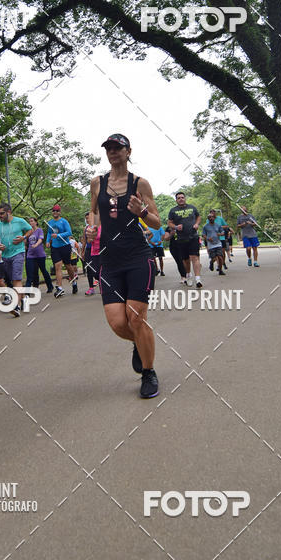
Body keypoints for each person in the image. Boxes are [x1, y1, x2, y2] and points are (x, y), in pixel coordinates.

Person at [87, 133, 160, 399]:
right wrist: (91, 230)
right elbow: (94, 212)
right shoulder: (97, 182)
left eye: (118, 148)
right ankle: (140, 343)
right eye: (109, 148)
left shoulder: (140, 183)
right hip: (109, 260)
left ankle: (149, 372)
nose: (113, 152)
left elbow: (156, 222)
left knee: (136, 317)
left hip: (138, 257)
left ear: (129, 151)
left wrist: (141, 212)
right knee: (118, 323)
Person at [0, 203, 32, 316]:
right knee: (13, 280)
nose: (0, 216)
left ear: (8, 212)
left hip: (18, 253)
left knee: (16, 280)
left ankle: (16, 306)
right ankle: (24, 298)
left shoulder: (19, 221)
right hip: (6, 255)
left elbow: (30, 230)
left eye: (2, 213)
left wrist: (23, 237)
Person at [167, 191, 203, 288]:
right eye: (178, 198)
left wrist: (196, 224)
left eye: (182, 197)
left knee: (195, 257)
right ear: (176, 200)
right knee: (186, 260)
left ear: (185, 198)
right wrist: (175, 227)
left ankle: (198, 279)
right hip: (181, 239)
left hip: (193, 237)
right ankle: (188, 275)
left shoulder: (192, 208)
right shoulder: (173, 210)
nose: (181, 199)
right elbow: (169, 223)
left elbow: (198, 217)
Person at [45, 205, 78, 298]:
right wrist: (47, 241)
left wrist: (58, 235)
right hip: (55, 248)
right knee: (57, 266)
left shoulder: (64, 221)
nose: (55, 212)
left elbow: (69, 233)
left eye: (57, 211)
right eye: (53, 211)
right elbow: (49, 233)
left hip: (65, 246)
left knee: (68, 266)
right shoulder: (50, 222)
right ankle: (59, 288)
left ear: (59, 212)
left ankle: (74, 282)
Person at [24, 217, 53, 294]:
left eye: (32, 221)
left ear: (36, 222)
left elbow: (41, 239)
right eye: (29, 222)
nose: (30, 223)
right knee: (30, 273)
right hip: (30, 255)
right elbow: (25, 241)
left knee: (43, 270)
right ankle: (27, 292)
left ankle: (50, 286)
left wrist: (36, 244)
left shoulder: (39, 230)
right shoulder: (29, 232)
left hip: (40, 255)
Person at [202, 209, 226, 276]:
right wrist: (207, 238)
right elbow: (203, 235)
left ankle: (220, 270)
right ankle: (211, 263)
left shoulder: (218, 225)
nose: (211, 218)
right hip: (211, 244)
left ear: (214, 218)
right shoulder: (205, 226)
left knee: (220, 257)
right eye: (209, 217)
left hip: (218, 243)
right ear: (208, 219)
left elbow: (223, 232)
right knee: (214, 258)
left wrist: (221, 234)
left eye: (212, 217)